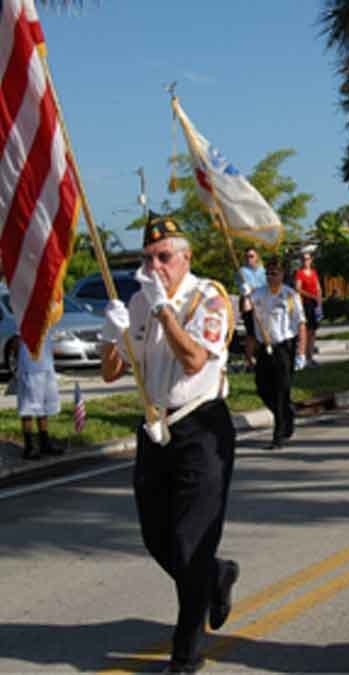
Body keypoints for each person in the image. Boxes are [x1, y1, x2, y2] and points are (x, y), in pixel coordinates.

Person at [100, 213, 239, 673]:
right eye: (147, 258)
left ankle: (186, 652)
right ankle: (216, 576)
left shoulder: (209, 297)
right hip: (156, 428)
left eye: (163, 257)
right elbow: (111, 372)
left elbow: (195, 359)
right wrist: (112, 337)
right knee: (156, 538)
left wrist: (163, 308)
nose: (154, 266)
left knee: (189, 543)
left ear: (185, 257)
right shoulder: (140, 301)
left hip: (201, 427)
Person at [251, 255, 307, 450]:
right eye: (267, 273)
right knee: (262, 387)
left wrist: (301, 352)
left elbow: (300, 324)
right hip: (264, 347)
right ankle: (286, 415)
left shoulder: (290, 295)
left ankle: (279, 435)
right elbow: (248, 313)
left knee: (281, 391)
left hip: (284, 347)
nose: (270, 276)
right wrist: (243, 297)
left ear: (282, 274)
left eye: (274, 273)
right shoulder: (258, 293)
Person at [17, 304, 65, 461]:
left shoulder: (45, 312)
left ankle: (44, 442)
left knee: (44, 406)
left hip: (46, 364)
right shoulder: (24, 312)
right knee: (28, 408)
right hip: (30, 365)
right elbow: (19, 340)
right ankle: (29, 446)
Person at [235, 247, 267, 371]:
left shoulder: (262, 271)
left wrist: (257, 290)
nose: (249, 259)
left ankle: (261, 358)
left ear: (257, 257)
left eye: (251, 256)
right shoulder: (242, 272)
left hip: (262, 304)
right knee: (251, 334)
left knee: (262, 333)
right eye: (247, 256)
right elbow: (245, 289)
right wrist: (255, 289)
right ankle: (249, 361)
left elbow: (266, 287)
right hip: (249, 305)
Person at [293, 250, 323, 367]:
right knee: (305, 330)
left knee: (313, 331)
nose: (306, 261)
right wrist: (312, 296)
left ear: (311, 260)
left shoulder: (314, 272)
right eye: (304, 259)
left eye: (308, 259)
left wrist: (319, 298)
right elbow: (298, 288)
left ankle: (310, 356)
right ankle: (304, 356)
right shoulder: (299, 273)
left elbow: (318, 286)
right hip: (305, 303)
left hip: (315, 303)